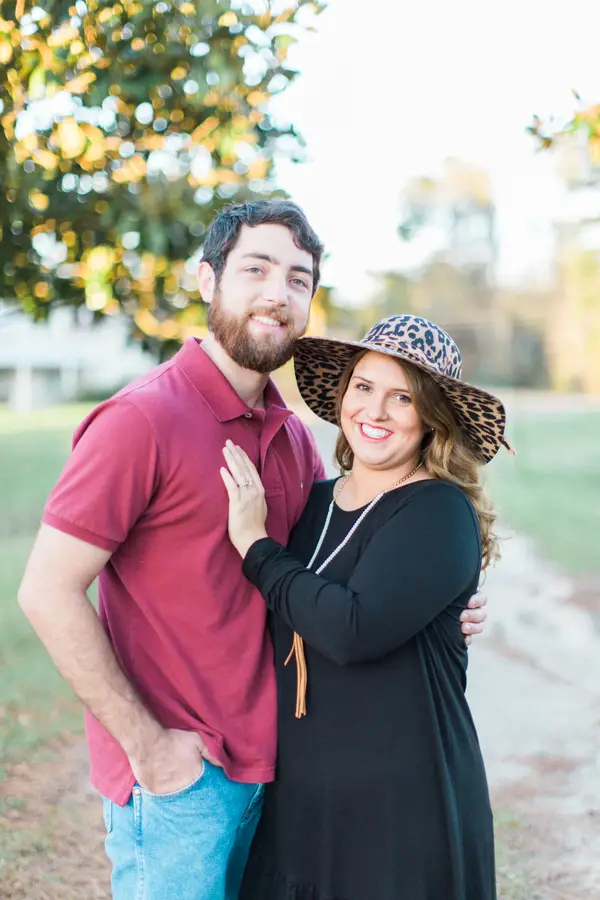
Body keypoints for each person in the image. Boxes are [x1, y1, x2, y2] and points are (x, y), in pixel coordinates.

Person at [17, 200, 487, 900]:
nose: (278, 292)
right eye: (256, 269)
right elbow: (46, 591)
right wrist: (149, 749)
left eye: (298, 278)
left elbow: (348, 573)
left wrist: (442, 605)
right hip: (184, 783)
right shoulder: (140, 420)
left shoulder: (294, 439)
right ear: (207, 280)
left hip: (275, 778)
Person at [220, 313, 510, 900]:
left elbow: (351, 628)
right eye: (365, 387)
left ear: (432, 418)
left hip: (402, 808)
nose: (374, 413)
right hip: (303, 796)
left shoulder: (437, 511)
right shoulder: (315, 502)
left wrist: (255, 547)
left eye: (402, 397)